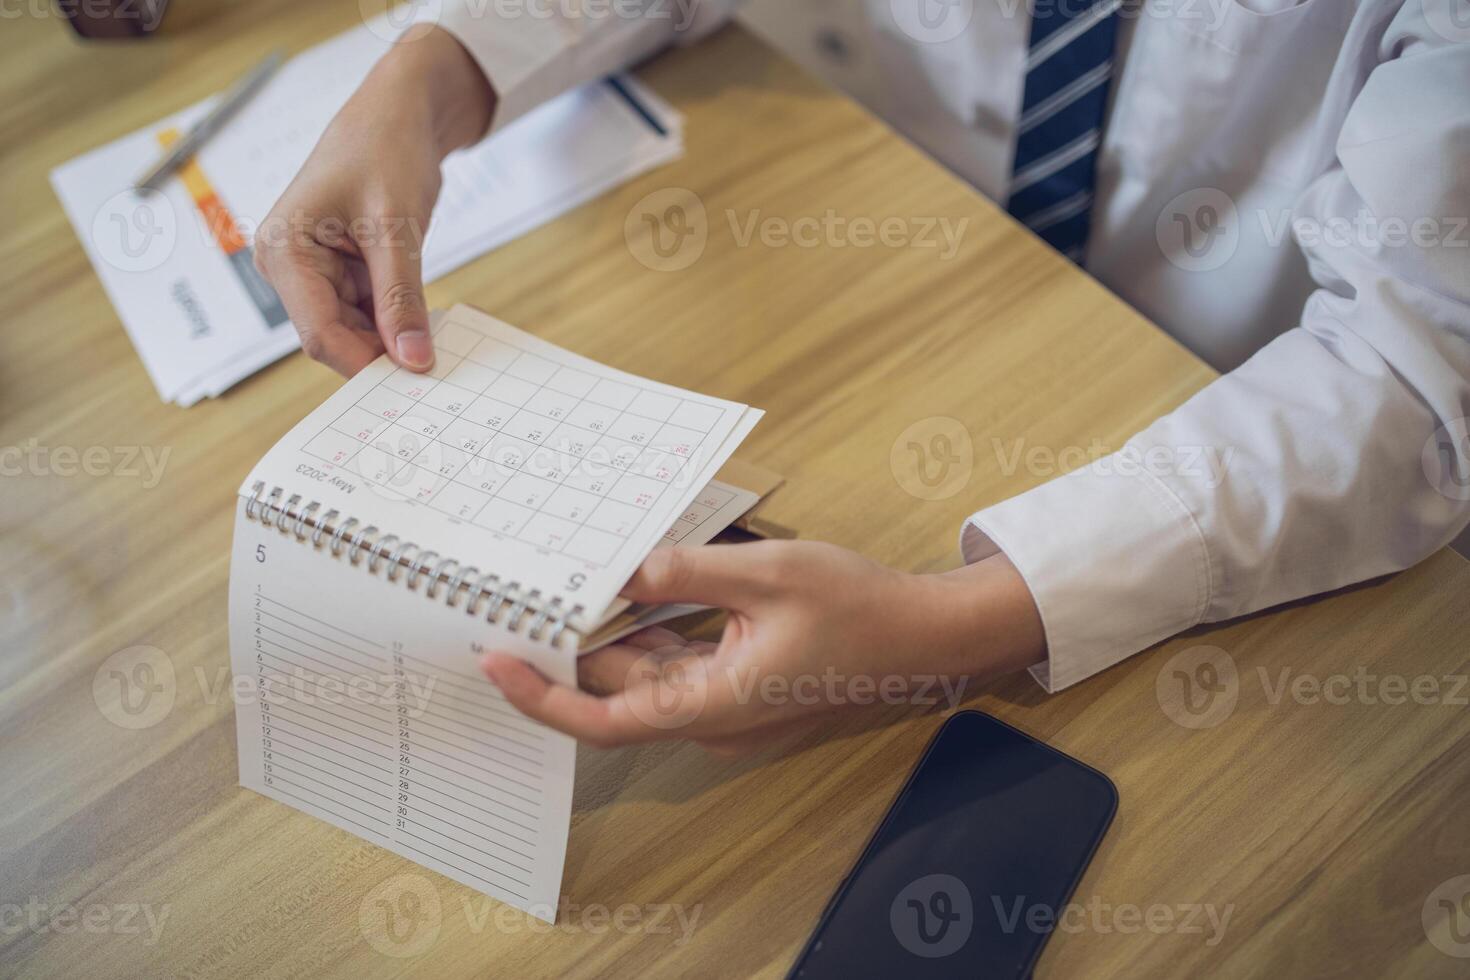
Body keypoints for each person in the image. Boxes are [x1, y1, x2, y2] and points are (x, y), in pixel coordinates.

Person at [254, 0, 1470, 754]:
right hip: (887, 245)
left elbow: (1411, 371)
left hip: (1207, 400)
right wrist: (441, 64)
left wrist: (950, 627)